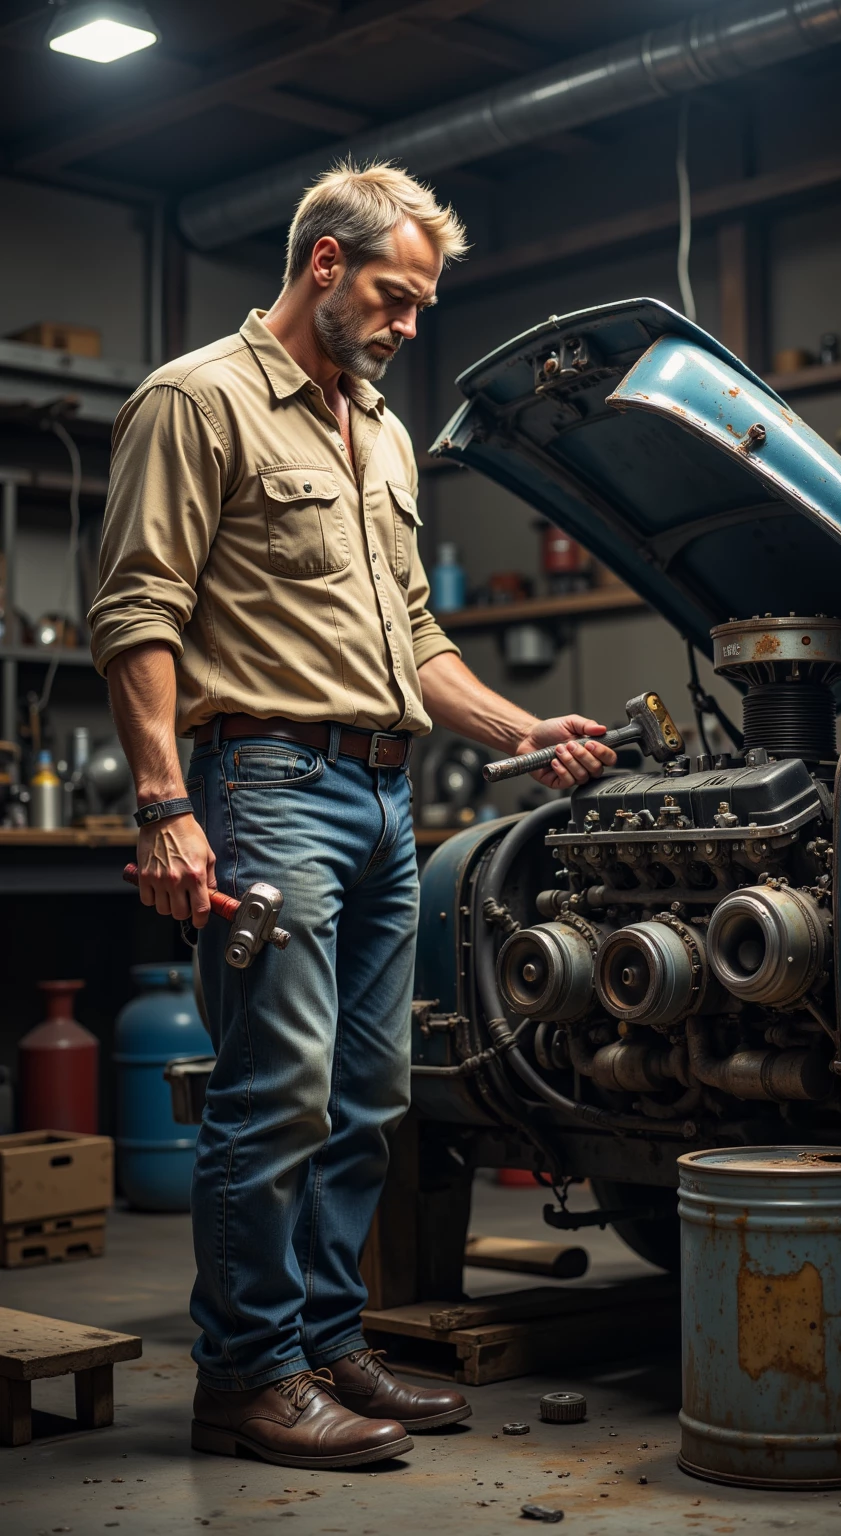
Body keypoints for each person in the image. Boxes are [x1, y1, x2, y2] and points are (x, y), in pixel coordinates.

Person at [88, 160, 616, 1472]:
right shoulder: (196, 401)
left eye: (422, 305)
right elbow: (135, 611)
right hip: (265, 791)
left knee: (371, 1096)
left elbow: (413, 634)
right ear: (323, 262)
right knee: (275, 1095)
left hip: (387, 795)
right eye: (393, 295)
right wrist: (165, 804)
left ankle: (329, 1346)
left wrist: (516, 728)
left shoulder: (377, 430)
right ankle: (248, 1374)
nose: (407, 324)